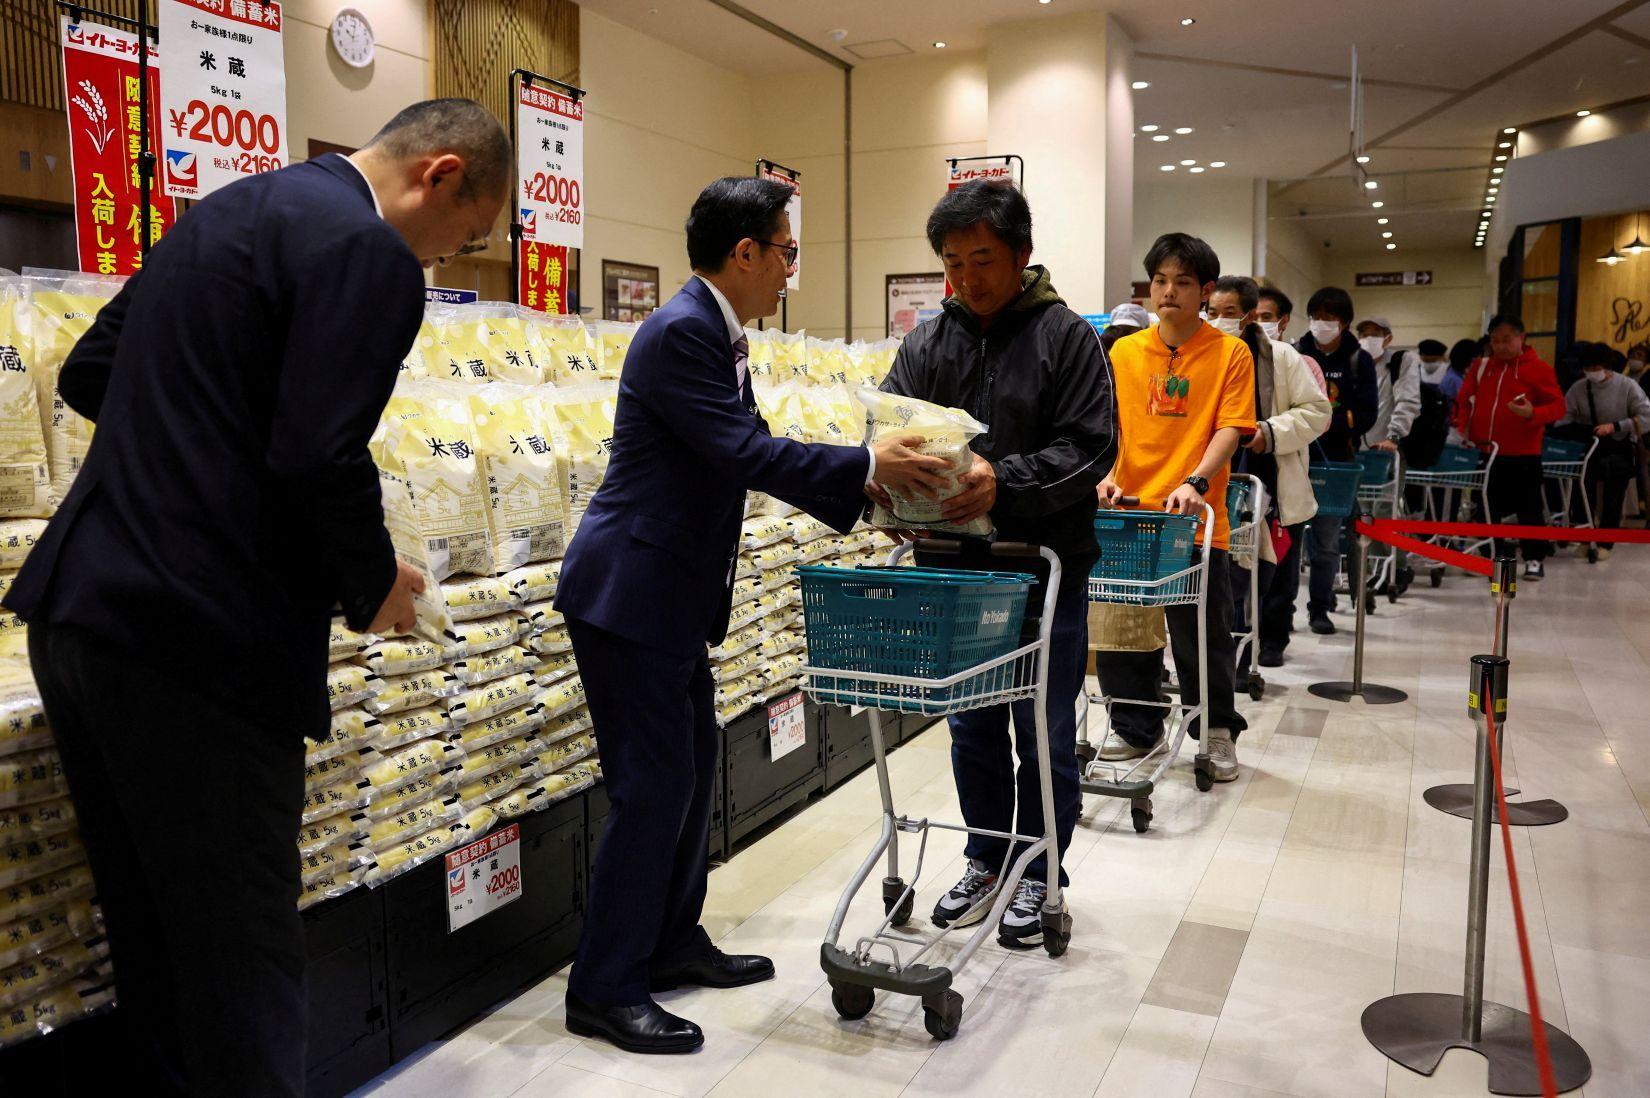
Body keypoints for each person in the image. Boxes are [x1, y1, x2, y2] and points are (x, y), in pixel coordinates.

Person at [0, 99, 509, 1094]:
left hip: (79, 613)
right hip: (197, 643)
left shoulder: (227, 211)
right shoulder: (364, 251)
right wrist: (372, 584)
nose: (446, 260)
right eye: (465, 237)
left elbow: (94, 372)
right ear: (440, 176)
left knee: (151, 928)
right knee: (240, 947)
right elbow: (320, 452)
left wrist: (188, 449)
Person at [552, 176, 948, 1054]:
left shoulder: (716, 334)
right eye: (787, 253)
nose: (788, 272)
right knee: (651, 790)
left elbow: (745, 456)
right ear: (745, 253)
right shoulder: (683, 333)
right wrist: (859, 461)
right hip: (630, 595)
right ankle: (605, 986)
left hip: (669, 594)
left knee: (690, 772)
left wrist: (873, 487)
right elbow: (744, 452)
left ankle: (669, 941)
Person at [877, 180, 1116, 949]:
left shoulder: (1066, 337)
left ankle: (1043, 867)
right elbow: (891, 423)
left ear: (1021, 254)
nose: (967, 278)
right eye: (953, 261)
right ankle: (987, 854)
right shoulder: (926, 343)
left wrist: (1000, 480)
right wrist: (885, 465)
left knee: (1042, 727)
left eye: (982, 259)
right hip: (954, 567)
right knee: (971, 723)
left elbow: (1090, 447)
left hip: (1043, 567)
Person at [1096, 233, 1254, 781]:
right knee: (1122, 630)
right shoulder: (1123, 352)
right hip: (1131, 517)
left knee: (1202, 634)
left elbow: (1232, 426)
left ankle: (1216, 732)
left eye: (1182, 282)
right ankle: (1137, 729)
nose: (1168, 291)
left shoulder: (1230, 353)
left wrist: (1196, 481)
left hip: (1192, 519)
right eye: (1160, 280)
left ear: (1205, 291)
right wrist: (1110, 476)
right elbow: (1109, 429)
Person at [1208, 276, 1329, 670]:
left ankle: (1271, 639)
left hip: (1268, 475)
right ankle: (1229, 655)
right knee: (1223, 574)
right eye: (1212, 312)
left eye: (1229, 313)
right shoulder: (1201, 354)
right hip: (1213, 480)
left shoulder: (1281, 357)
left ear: (1246, 316)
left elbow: (1317, 412)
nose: (1219, 320)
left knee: (1274, 567)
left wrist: (1269, 432)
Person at [1293, 287, 1379, 634]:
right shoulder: (1296, 352)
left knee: (1327, 541)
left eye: (1329, 318)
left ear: (1344, 323)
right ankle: (1281, 613)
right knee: (1290, 540)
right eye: (1316, 316)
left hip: (1338, 461)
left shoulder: (1359, 360)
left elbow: (1367, 414)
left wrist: (1323, 420)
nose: (1321, 324)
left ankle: (1319, 608)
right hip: (1296, 456)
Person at [1454, 314, 1564, 578]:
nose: (1500, 346)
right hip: (1484, 452)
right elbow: (1463, 402)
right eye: (1495, 340)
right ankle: (1492, 555)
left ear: (1521, 337)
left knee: (1529, 508)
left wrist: (1531, 414)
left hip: (1524, 453)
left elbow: (1558, 407)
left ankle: (1534, 558)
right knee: (1487, 506)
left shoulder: (1538, 369)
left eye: (1506, 340)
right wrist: (1462, 431)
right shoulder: (1481, 367)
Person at [1563, 342, 1650, 557]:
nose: (1593, 373)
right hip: (1588, 448)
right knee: (1583, 492)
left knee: (1614, 495)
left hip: (1617, 446)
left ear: (1608, 366)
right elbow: (1565, 415)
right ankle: (1585, 537)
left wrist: (1616, 426)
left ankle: (1605, 543)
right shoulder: (1578, 388)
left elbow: (1646, 416)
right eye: (1588, 369)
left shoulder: (1627, 386)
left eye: (1597, 368)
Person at [1357, 316, 1422, 456]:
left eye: (1375, 334)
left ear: (1388, 339)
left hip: (1387, 448)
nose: (1368, 339)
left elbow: (1407, 401)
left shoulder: (1400, 362)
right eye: (1364, 335)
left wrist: (1394, 436)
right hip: (1354, 449)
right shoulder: (1354, 364)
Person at [1255, 286, 1326, 395]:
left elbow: (1318, 410)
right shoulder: (1241, 363)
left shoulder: (1306, 366)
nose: (1259, 324)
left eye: (1266, 317)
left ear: (1284, 321)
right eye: (1254, 318)